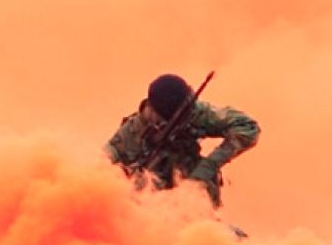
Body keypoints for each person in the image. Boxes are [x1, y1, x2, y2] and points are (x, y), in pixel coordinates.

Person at [105, 73, 259, 208]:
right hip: (152, 204)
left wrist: (207, 167)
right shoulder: (132, 131)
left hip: (193, 198)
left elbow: (248, 128)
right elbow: (104, 162)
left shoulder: (193, 113)